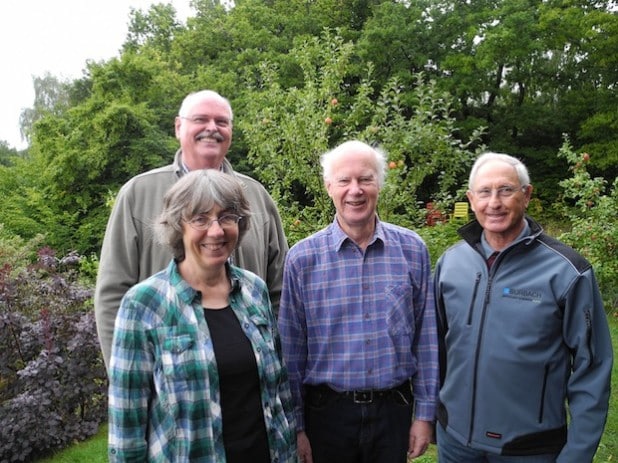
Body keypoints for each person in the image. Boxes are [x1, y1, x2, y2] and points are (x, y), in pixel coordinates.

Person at [107, 169, 297, 462]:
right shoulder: (144, 304)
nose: (216, 230)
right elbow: (126, 424)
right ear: (176, 226)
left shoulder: (253, 291)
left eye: (227, 217)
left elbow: (279, 389)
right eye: (200, 219)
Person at [434, 152, 613, 462]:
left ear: (526, 195)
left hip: (529, 447)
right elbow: (434, 347)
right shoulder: (450, 263)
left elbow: (592, 367)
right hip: (455, 443)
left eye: (506, 190)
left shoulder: (567, 272)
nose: (494, 203)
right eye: (484, 192)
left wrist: (577, 453)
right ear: (470, 199)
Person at [95, 90, 288, 369]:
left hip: (248, 381)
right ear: (178, 127)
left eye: (221, 122)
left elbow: (280, 291)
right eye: (201, 119)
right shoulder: (138, 194)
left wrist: (273, 363)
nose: (212, 128)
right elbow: (113, 293)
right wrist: (129, 377)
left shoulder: (257, 196)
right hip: (170, 384)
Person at [278, 140, 439, 463]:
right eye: (344, 181)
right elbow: (291, 351)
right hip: (326, 415)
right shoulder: (302, 259)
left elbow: (426, 339)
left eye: (365, 179)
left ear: (379, 183)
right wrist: (296, 427)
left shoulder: (412, 250)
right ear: (328, 187)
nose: (356, 190)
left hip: (393, 411)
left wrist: (424, 415)